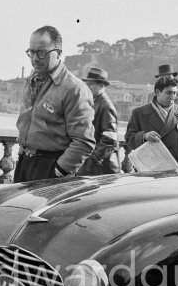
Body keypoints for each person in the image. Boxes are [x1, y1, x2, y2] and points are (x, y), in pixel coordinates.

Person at [14, 26, 95, 182]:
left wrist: (59, 170)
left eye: (41, 52)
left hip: (50, 166)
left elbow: (84, 141)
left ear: (58, 53)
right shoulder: (31, 81)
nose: (35, 58)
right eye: (31, 52)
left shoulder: (74, 89)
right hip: (25, 162)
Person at [126, 76, 178, 164]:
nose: (172, 97)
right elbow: (129, 138)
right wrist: (145, 136)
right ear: (157, 92)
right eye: (169, 93)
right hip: (148, 166)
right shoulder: (139, 113)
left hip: (173, 168)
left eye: (174, 93)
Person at [78, 67, 120, 175]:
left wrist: (94, 159)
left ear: (102, 85)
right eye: (87, 84)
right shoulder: (96, 102)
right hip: (93, 164)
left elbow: (109, 138)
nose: (88, 87)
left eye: (91, 84)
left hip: (100, 167)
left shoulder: (106, 105)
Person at [147, 64, 178, 135]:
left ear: (172, 78)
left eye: (167, 77)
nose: (164, 80)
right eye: (162, 77)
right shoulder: (151, 95)